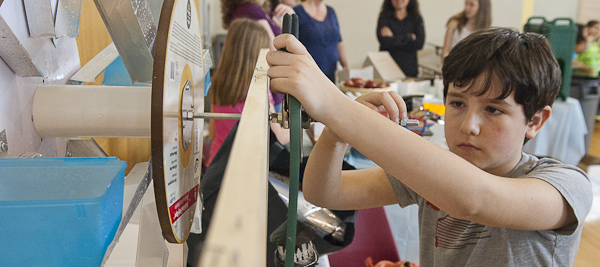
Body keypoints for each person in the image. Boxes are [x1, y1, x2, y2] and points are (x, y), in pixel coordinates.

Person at [266, 27, 593, 265]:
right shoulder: (433, 177)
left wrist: (335, 106)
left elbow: (474, 199)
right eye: (457, 104)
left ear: (535, 121)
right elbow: (324, 193)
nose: (469, 125)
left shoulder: (565, 185)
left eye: (493, 109)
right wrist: (337, 133)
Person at [207, 18, 289, 167]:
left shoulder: (219, 84)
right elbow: (279, 137)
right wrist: (295, 125)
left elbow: (213, 134)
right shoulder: (258, 91)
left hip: (215, 169)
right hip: (243, 171)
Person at [293, 0, 348, 82]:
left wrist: (345, 65)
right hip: (307, 76)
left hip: (330, 75)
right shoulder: (296, 12)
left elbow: (339, 41)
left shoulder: (331, 11)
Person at [376, 0, 425, 78]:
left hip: (409, 69)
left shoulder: (416, 18)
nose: (399, 0)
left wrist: (393, 37)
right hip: (386, 68)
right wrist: (409, 37)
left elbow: (419, 44)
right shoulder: (384, 17)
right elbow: (385, 42)